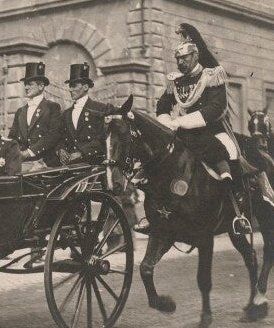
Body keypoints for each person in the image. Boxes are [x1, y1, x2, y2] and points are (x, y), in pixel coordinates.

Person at [134, 22, 249, 234]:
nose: (180, 63)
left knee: (230, 153)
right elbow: (163, 105)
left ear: (195, 55)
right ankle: (156, 215)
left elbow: (216, 108)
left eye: (185, 58)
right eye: (178, 59)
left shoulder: (212, 76)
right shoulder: (176, 82)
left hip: (211, 130)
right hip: (183, 132)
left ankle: (237, 212)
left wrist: (180, 122)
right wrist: (166, 122)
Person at [56, 63, 114, 166]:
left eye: (74, 86)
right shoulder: (66, 114)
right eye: (70, 86)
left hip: (94, 165)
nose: (70, 89)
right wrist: (61, 150)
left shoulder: (100, 109)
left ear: (85, 87)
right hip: (70, 166)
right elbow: (60, 137)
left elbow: (104, 138)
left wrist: (82, 152)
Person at [9, 62, 62, 172]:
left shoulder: (52, 107)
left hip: (46, 163)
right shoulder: (20, 111)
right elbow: (13, 138)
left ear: (41, 86)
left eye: (30, 84)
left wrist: (29, 152)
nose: (26, 87)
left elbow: (53, 135)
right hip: (23, 163)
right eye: (25, 84)